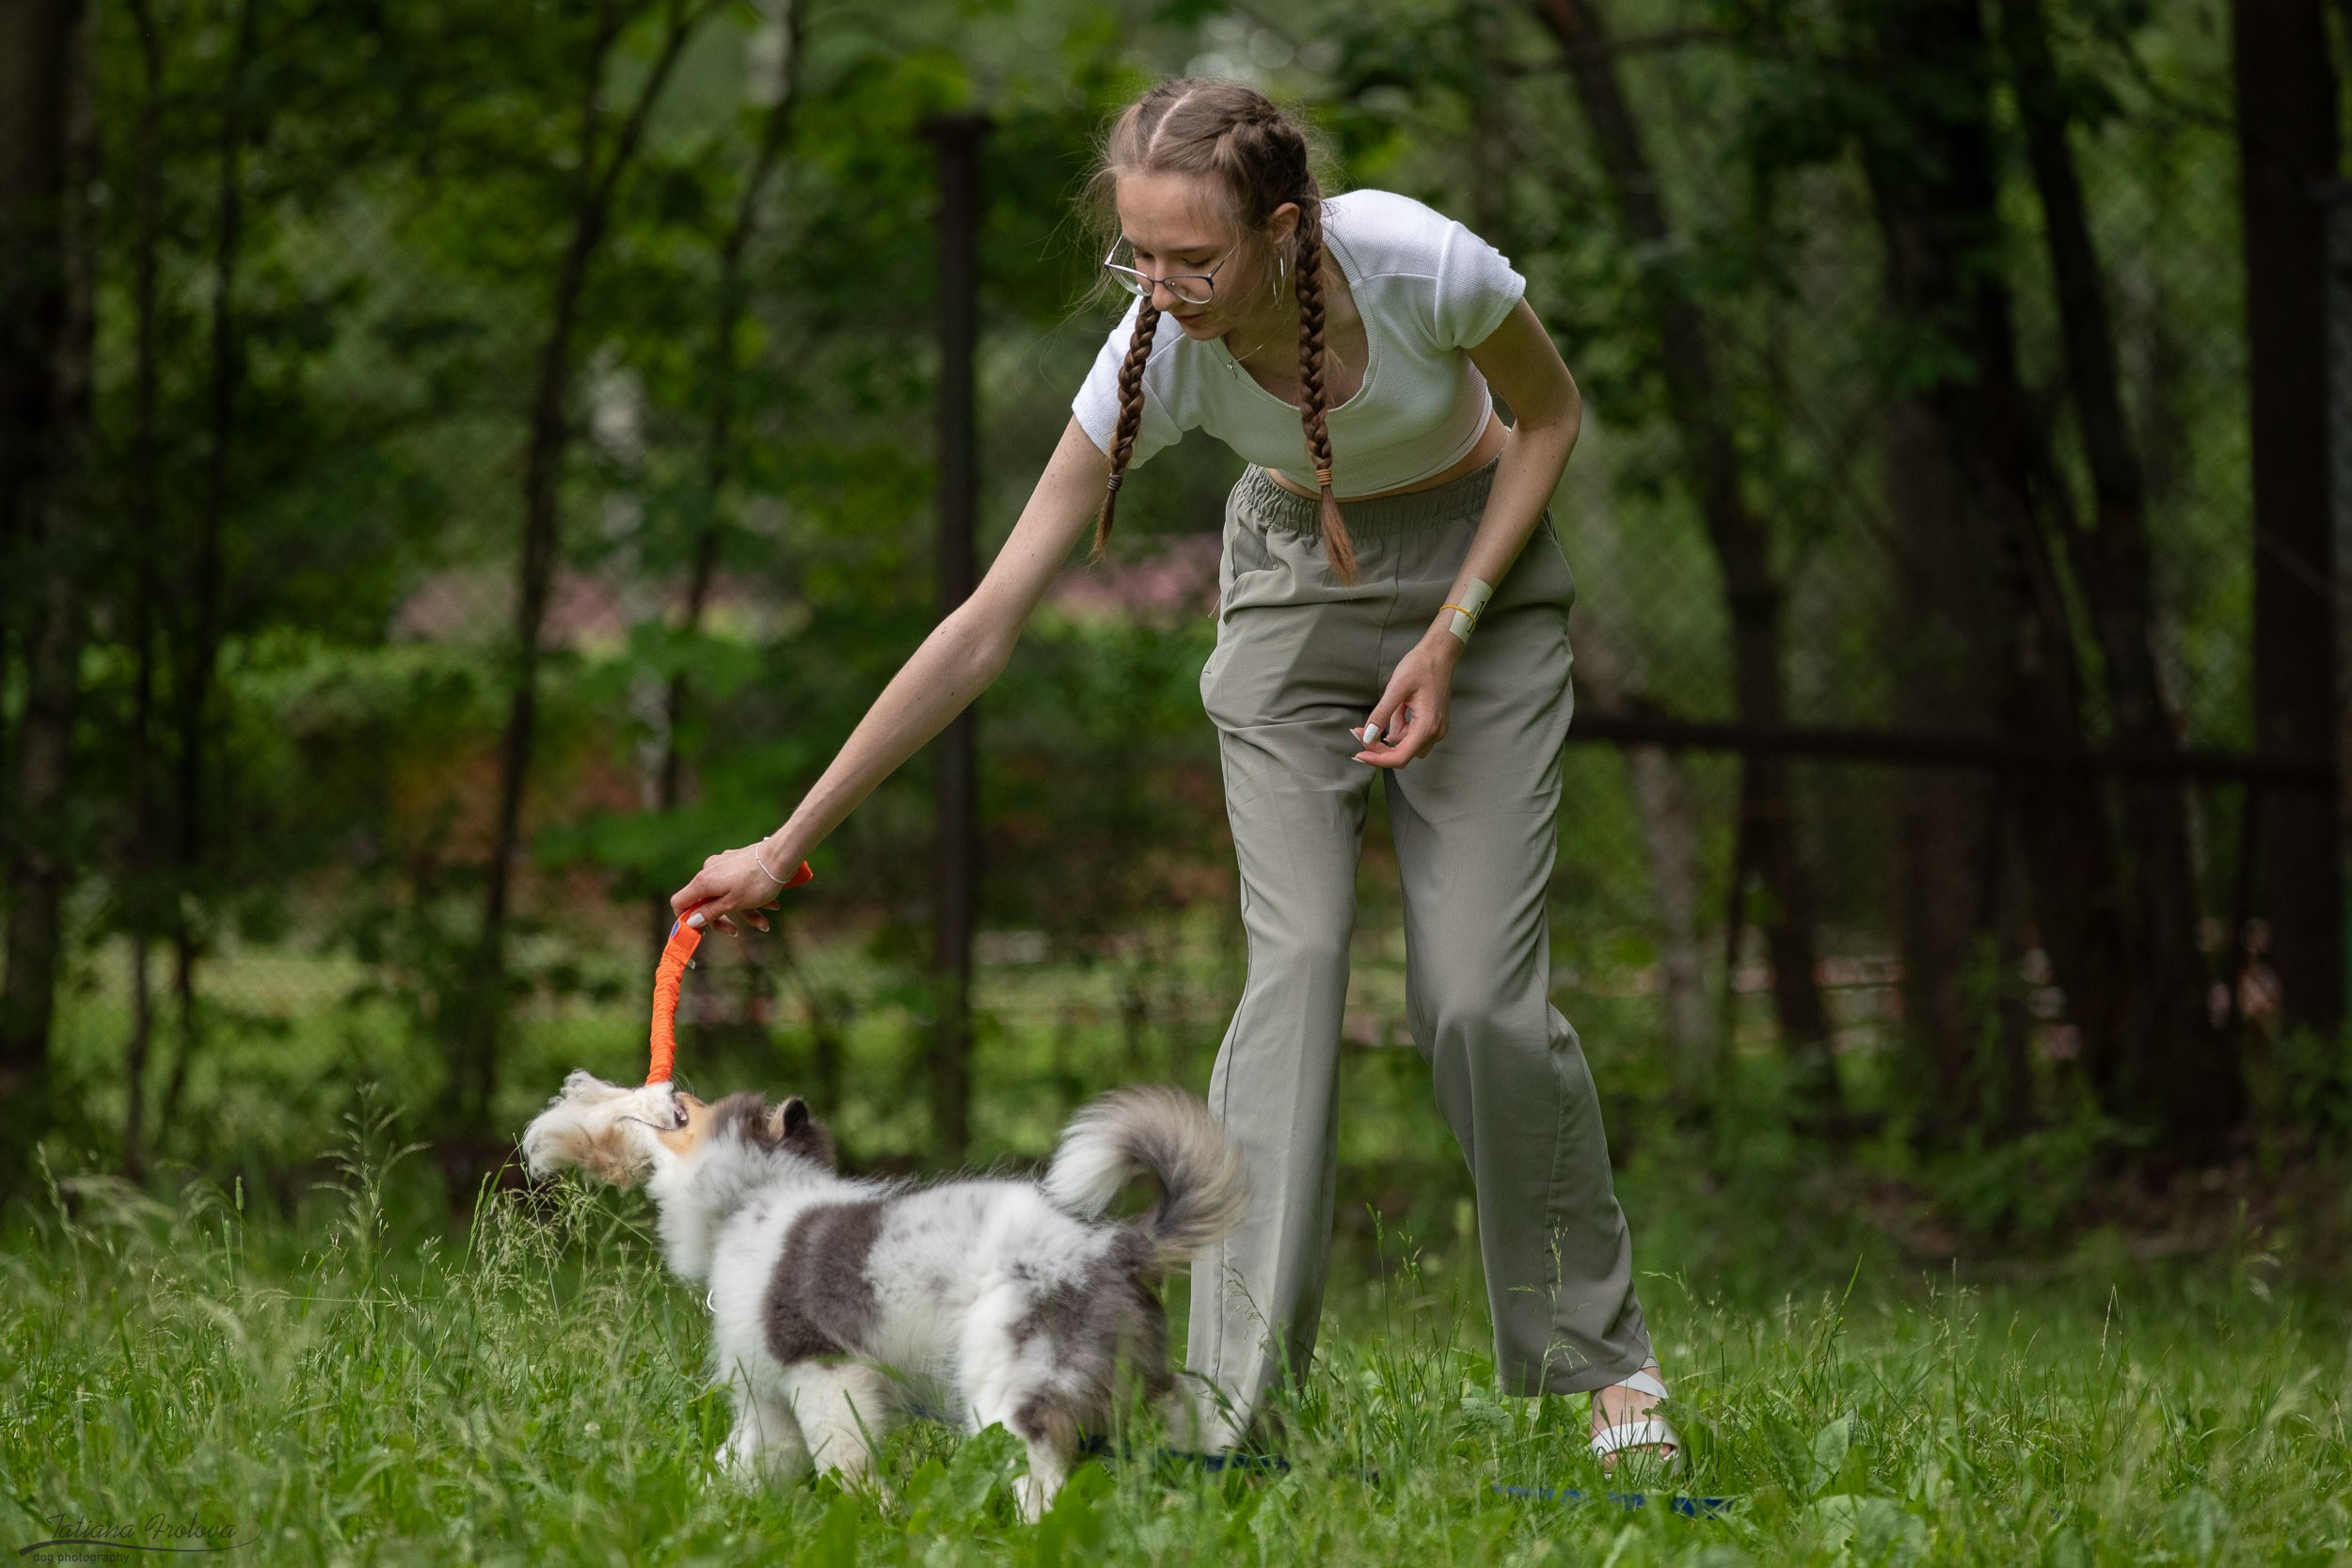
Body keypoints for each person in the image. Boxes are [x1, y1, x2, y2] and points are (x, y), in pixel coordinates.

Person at [668, 77, 1678, 1469]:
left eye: (1192, 259)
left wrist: (1450, 633)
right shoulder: (1157, 353)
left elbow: (1551, 420)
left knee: (1482, 1009)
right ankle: (1230, 1412)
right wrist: (784, 843)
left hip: (1479, 602)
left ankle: (1605, 1361)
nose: (1161, 287)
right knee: (1300, 965)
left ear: (1280, 229)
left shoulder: (1416, 261)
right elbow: (985, 624)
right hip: (1290, 605)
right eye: (1135, 256)